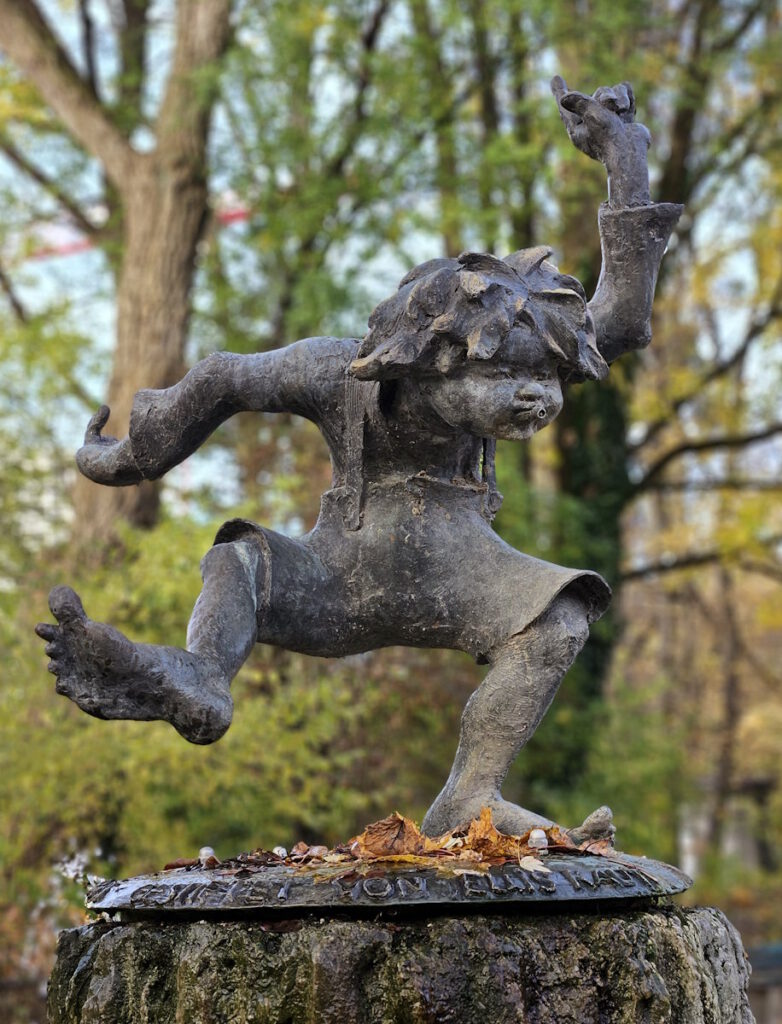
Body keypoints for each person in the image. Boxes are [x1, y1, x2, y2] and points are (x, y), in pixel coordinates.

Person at [36, 78, 682, 840]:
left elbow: (622, 319)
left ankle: (472, 794)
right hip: (340, 579)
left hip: (464, 575)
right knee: (239, 560)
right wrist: (128, 460)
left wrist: (624, 156)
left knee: (561, 617)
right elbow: (222, 378)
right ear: (432, 360)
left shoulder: (524, 365)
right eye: (506, 376)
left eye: (546, 378)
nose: (536, 397)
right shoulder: (338, 373)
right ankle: (201, 675)